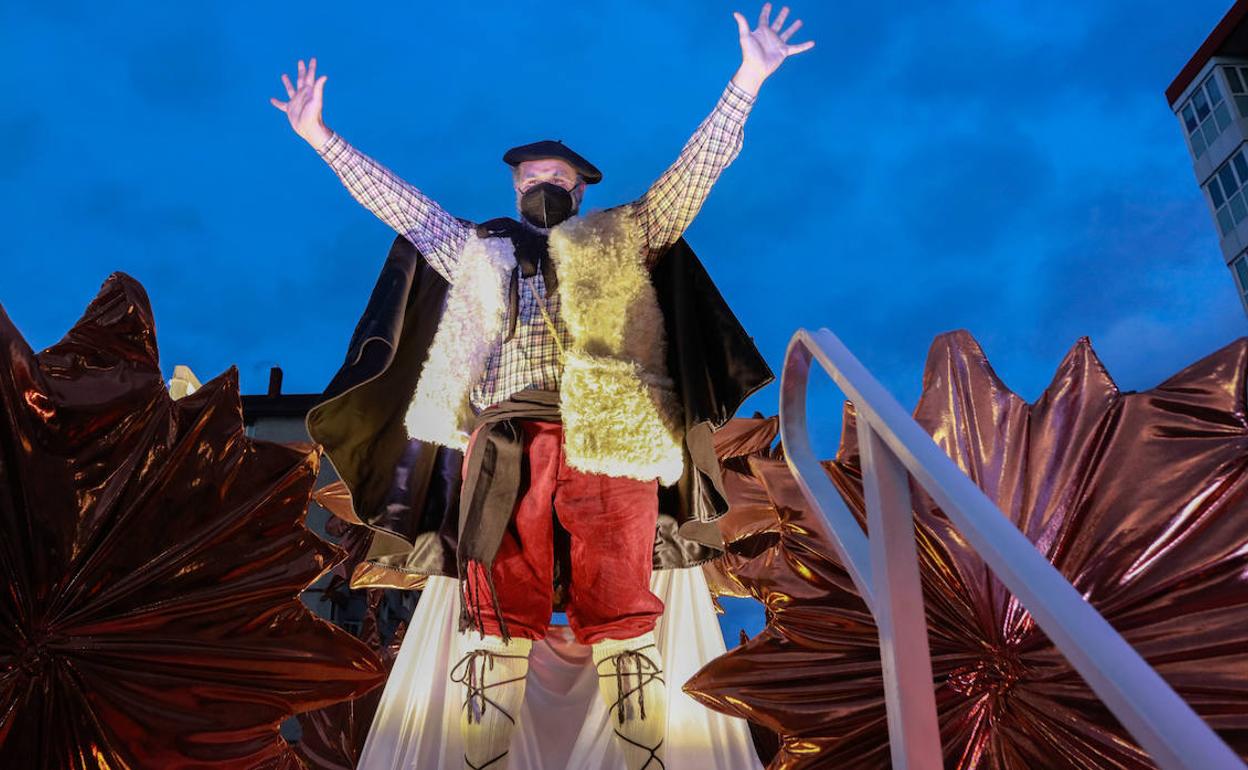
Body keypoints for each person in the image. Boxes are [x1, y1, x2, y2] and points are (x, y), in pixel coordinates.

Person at [272, 5, 812, 769]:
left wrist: (747, 80)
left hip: (613, 433)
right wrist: (321, 138)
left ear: (581, 191)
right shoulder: (479, 248)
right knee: (498, 602)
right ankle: (483, 761)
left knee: (621, 600)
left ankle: (646, 760)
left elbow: (694, 175)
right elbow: (400, 204)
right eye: (532, 177)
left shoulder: (625, 234)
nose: (543, 185)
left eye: (557, 178)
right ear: (515, 185)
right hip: (505, 435)